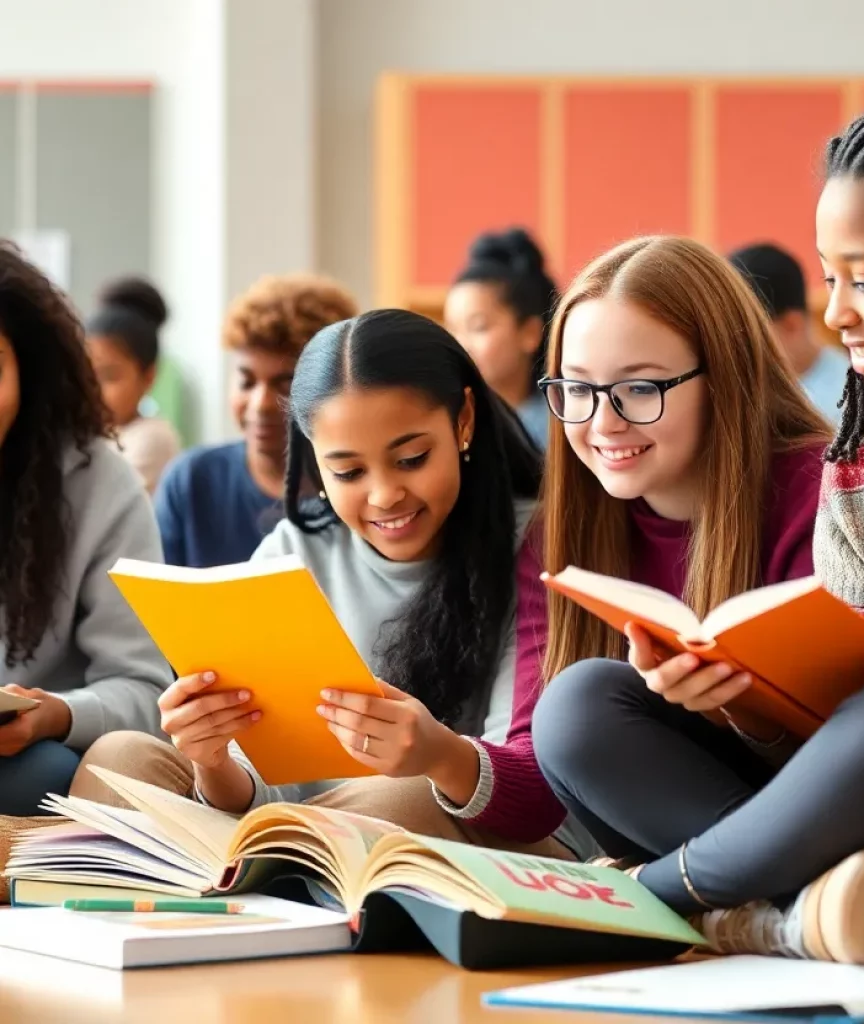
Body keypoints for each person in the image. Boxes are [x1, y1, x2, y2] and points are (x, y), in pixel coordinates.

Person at [539, 79, 864, 970]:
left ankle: (642, 900)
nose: (836, 314)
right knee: (582, 704)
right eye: (830, 278)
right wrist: (749, 711)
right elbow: (840, 738)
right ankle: (815, 917)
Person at [71, 310, 588, 860]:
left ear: (463, 419)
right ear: (315, 459)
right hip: (304, 835)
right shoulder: (291, 553)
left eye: (412, 458)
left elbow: (533, 791)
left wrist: (438, 754)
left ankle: (271, 892)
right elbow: (261, 791)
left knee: (396, 800)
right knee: (119, 759)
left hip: (481, 842)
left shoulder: (534, 542)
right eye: (348, 472)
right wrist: (213, 760)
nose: (385, 495)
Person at [449, 234, 828, 872]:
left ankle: (689, 890)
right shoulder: (562, 532)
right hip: (714, 844)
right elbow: (544, 790)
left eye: (639, 389)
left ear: (724, 378)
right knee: (576, 707)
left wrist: (741, 707)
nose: (602, 424)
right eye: (575, 389)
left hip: (832, 817)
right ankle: (764, 901)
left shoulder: (820, 493)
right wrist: (434, 752)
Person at [0, 243, 173, 822]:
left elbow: (147, 691)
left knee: (52, 777)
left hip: (27, 765)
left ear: (29, 364)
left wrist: (56, 714)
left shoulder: (99, 481)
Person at [155, 274, 357, 567]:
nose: (261, 404)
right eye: (247, 382)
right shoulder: (192, 480)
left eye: (286, 384)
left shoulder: (358, 492)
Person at [444, 228, 556, 449]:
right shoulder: (445, 420)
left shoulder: (561, 426)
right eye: (452, 329)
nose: (460, 344)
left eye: (478, 326)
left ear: (530, 333)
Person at [729, 243, 849, 425]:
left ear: (791, 325)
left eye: (747, 336)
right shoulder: (742, 388)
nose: (735, 349)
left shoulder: (848, 400)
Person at [86, 276, 181, 494]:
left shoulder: (153, 438)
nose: (94, 390)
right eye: (87, 377)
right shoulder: (93, 434)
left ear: (148, 377)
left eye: (109, 376)